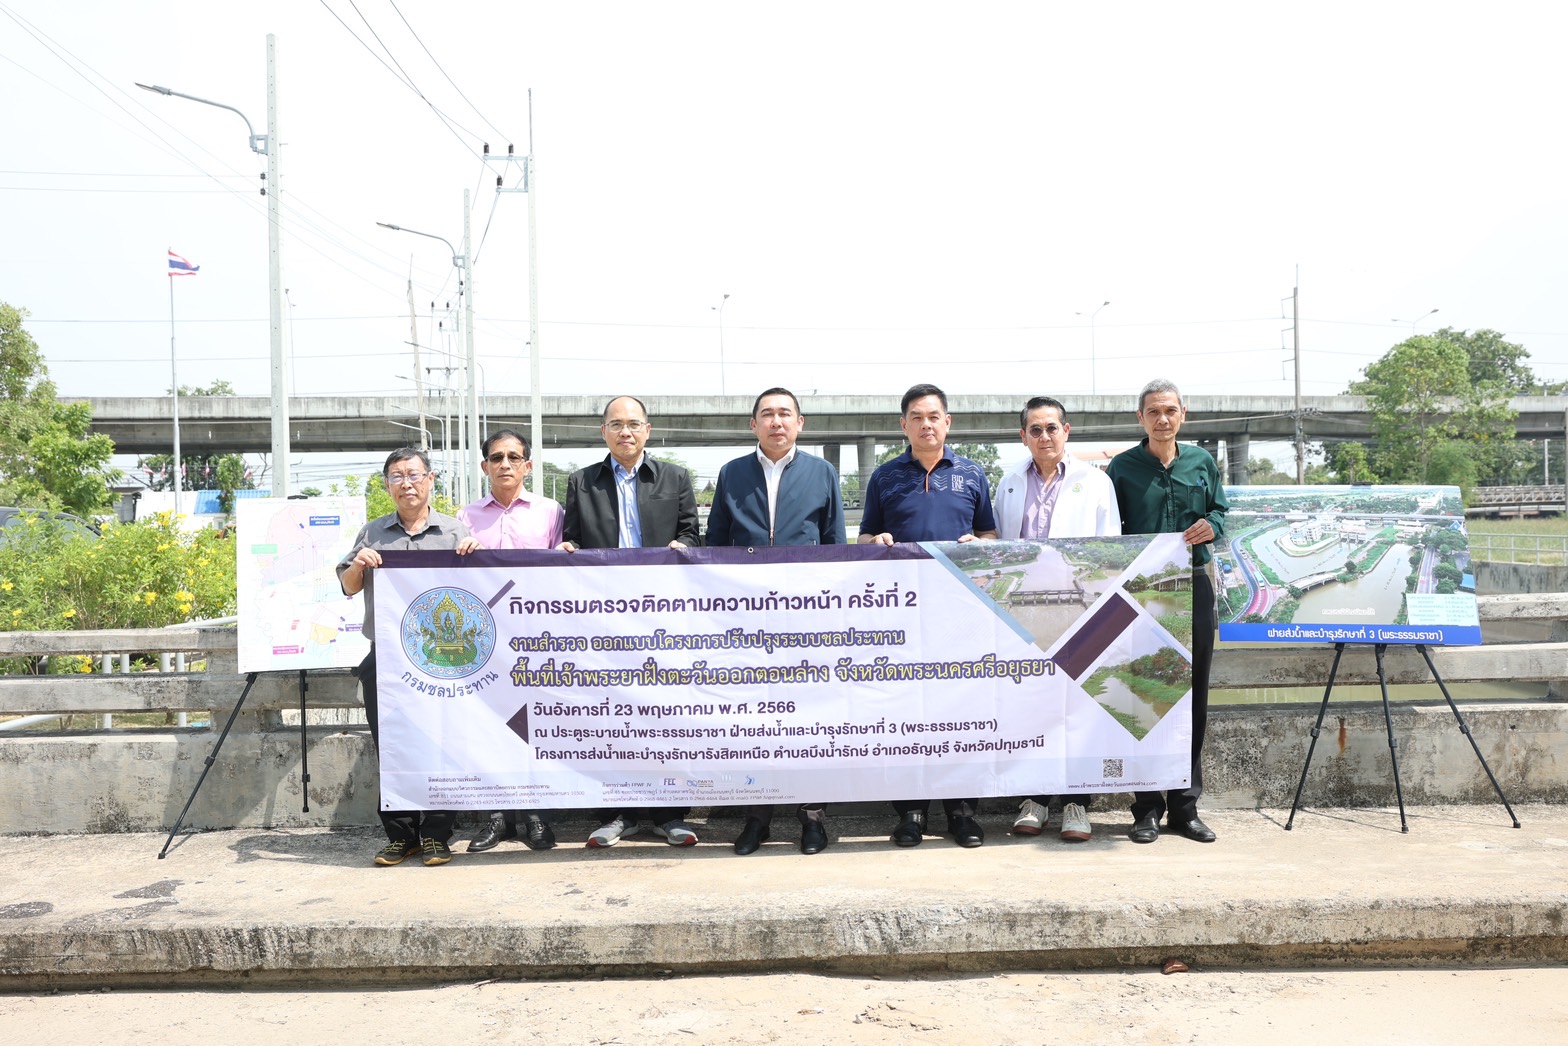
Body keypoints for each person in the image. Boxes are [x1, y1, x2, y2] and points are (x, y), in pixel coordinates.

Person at [706, 387, 846, 856]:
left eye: (785, 413)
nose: (776, 421)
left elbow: (835, 546)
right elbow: (716, 546)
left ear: (799, 423)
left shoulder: (822, 473)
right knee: (754, 719)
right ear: (754, 425)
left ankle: (812, 817)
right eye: (767, 414)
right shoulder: (732, 474)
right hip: (746, 619)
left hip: (806, 617)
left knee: (809, 718)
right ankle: (757, 817)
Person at [558, 395, 703, 848]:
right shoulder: (582, 482)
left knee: (665, 714)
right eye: (616, 424)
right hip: (605, 618)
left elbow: (691, 531)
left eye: (634, 424)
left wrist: (682, 546)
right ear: (603, 431)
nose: (626, 432)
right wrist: (567, 549)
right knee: (610, 713)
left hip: (662, 616)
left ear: (647, 430)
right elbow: (572, 538)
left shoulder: (675, 477)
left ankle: (670, 813)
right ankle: (615, 813)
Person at [859, 383, 998, 847]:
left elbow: (990, 537)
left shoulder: (972, 474)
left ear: (947, 422)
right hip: (903, 617)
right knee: (906, 710)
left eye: (934, 416)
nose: (926, 425)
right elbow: (863, 538)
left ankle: (961, 812)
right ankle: (911, 811)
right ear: (904, 425)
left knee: (960, 708)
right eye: (916, 417)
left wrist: (980, 545)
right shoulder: (884, 477)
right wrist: (876, 542)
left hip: (960, 614)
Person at [337, 448, 479, 867]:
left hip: (442, 661)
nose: (407, 484)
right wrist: (359, 565)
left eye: (414, 475)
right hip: (386, 658)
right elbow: (347, 586)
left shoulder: (454, 531)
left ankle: (436, 834)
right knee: (392, 746)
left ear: (430, 479)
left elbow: (477, 591)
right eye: (397, 477)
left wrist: (477, 554)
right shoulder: (373, 532)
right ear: (387, 485)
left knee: (442, 743)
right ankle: (401, 836)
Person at [1105, 378, 1228, 845]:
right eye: (1153, 412)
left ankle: (1185, 806)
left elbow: (1220, 512)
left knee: (1194, 699)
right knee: (1144, 694)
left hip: (1194, 586)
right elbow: (1108, 531)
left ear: (1183, 415)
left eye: (1170, 411)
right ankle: (1146, 807)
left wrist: (1211, 525)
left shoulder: (1202, 463)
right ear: (1140, 418)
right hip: (1142, 595)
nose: (1162, 419)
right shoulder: (1121, 469)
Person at [993, 396, 1120, 843]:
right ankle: (1035, 799)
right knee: (1032, 705)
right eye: (1035, 429)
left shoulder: (1095, 482)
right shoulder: (1009, 483)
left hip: (1080, 607)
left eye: (1051, 428)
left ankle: (1076, 804)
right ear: (1023, 436)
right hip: (1025, 610)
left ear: (1066, 431)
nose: (1044, 436)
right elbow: (1001, 548)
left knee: (1080, 705)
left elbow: (1111, 547)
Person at [458, 429, 564, 854]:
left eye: (514, 457)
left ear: (528, 465)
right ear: (485, 466)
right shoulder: (465, 517)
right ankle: (496, 817)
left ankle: (536, 815)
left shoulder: (550, 512)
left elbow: (563, 572)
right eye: (497, 457)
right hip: (487, 642)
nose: (505, 464)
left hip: (535, 638)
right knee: (491, 727)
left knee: (533, 725)